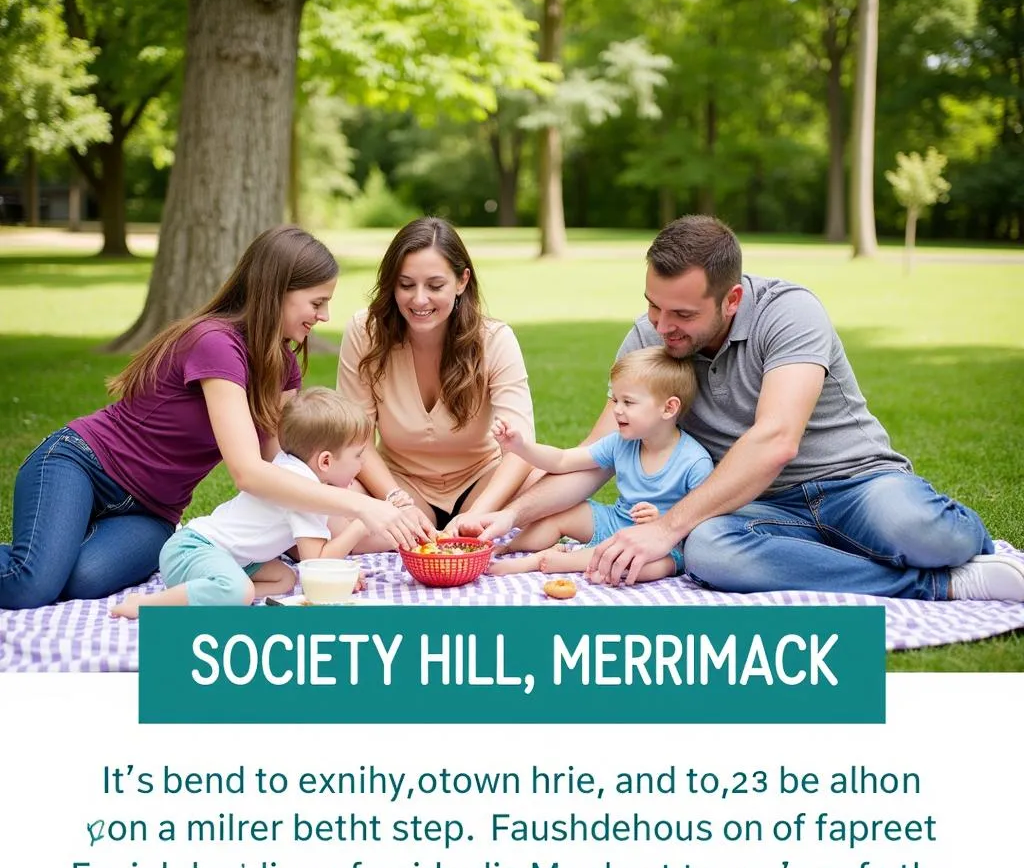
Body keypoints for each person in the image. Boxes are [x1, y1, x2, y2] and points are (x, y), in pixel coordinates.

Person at [450, 215, 1024, 602]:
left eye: (681, 315)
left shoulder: (790, 312)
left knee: (923, 531)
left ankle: (948, 551)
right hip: (754, 509)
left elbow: (776, 440)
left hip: (854, 483)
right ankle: (942, 588)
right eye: (653, 307)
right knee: (709, 552)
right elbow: (598, 457)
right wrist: (511, 517)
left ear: (731, 298)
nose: (661, 327)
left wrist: (666, 528)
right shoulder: (649, 338)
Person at [0, 225, 433, 611]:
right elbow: (248, 473)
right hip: (84, 465)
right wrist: (363, 505)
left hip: (151, 513)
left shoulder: (284, 368)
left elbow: (286, 470)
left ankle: (46, 549)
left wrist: (345, 543)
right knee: (31, 585)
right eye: (317, 302)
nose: (324, 317)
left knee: (81, 582)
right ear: (277, 290)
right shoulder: (215, 343)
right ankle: (41, 553)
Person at [335, 216, 535, 542]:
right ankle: (419, 531)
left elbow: (520, 446)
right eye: (406, 284)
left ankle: (473, 532)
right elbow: (354, 438)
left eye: (435, 285)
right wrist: (397, 503)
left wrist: (475, 516)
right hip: (399, 482)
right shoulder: (364, 333)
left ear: (461, 281)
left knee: (553, 486)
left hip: (482, 482)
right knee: (326, 507)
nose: (419, 299)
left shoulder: (495, 339)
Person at [110, 388, 370, 618]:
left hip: (223, 558)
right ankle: (147, 605)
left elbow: (315, 561)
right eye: (358, 455)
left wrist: (342, 574)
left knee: (284, 578)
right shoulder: (305, 492)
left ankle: (220, 597)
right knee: (239, 589)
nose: (362, 464)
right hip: (191, 550)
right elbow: (316, 561)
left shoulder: (292, 469)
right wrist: (360, 525)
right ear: (325, 461)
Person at [488, 347, 712, 582]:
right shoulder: (622, 443)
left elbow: (703, 523)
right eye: (615, 400)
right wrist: (520, 446)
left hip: (663, 544)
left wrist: (662, 521)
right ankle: (507, 549)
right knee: (563, 513)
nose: (616, 410)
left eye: (628, 402)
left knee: (652, 568)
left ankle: (549, 561)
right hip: (616, 520)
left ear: (669, 408)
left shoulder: (695, 461)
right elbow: (563, 460)